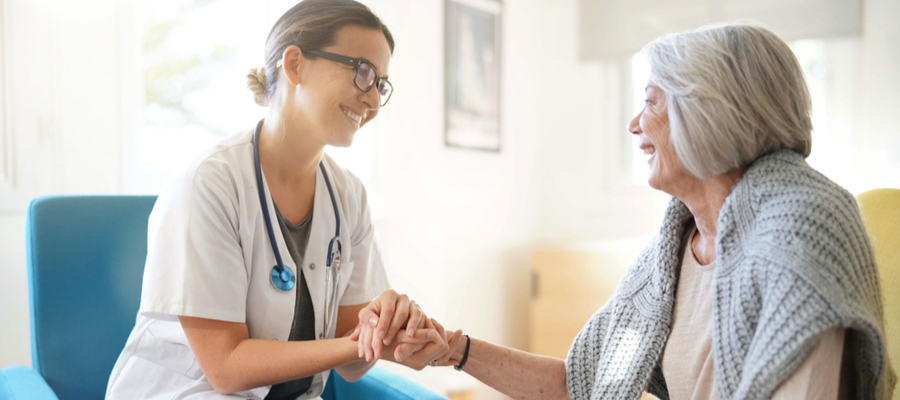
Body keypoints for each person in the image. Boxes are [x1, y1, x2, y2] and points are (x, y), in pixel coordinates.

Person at [355, 23, 897, 400]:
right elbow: (580, 384)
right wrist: (454, 349)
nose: (635, 124)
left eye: (653, 100)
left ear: (709, 111)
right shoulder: (673, 252)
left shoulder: (801, 230)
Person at [105, 1, 456, 398]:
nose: (373, 101)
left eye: (381, 84)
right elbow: (225, 368)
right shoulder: (208, 184)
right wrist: (357, 342)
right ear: (295, 65)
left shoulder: (349, 197)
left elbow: (352, 362)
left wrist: (390, 334)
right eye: (363, 73)